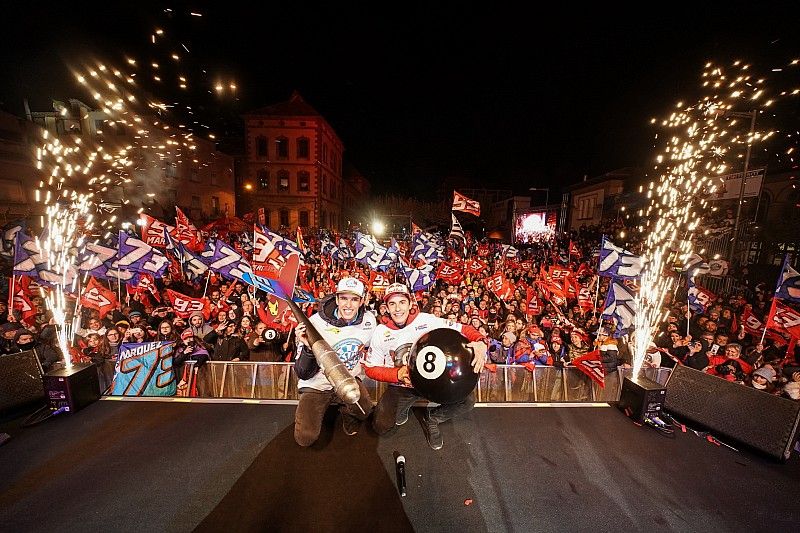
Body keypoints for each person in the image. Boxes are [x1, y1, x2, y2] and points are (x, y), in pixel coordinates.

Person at [365, 282, 487, 450]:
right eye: (392, 304)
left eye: (402, 302)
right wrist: (396, 375)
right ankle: (403, 408)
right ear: (386, 307)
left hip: (433, 382)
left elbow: (463, 328)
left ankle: (433, 418)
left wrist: (481, 342)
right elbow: (370, 369)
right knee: (381, 426)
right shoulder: (380, 332)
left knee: (467, 401)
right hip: (402, 386)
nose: (398, 308)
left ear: (410, 303)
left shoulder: (427, 320)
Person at [292, 277, 376, 446]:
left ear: (362, 302)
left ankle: (346, 412)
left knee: (365, 411)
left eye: (354, 299)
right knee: (305, 438)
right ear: (336, 299)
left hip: (348, 380)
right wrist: (308, 349)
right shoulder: (314, 323)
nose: (348, 305)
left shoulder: (369, 321)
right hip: (318, 384)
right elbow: (303, 373)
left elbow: (368, 348)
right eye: (343, 298)